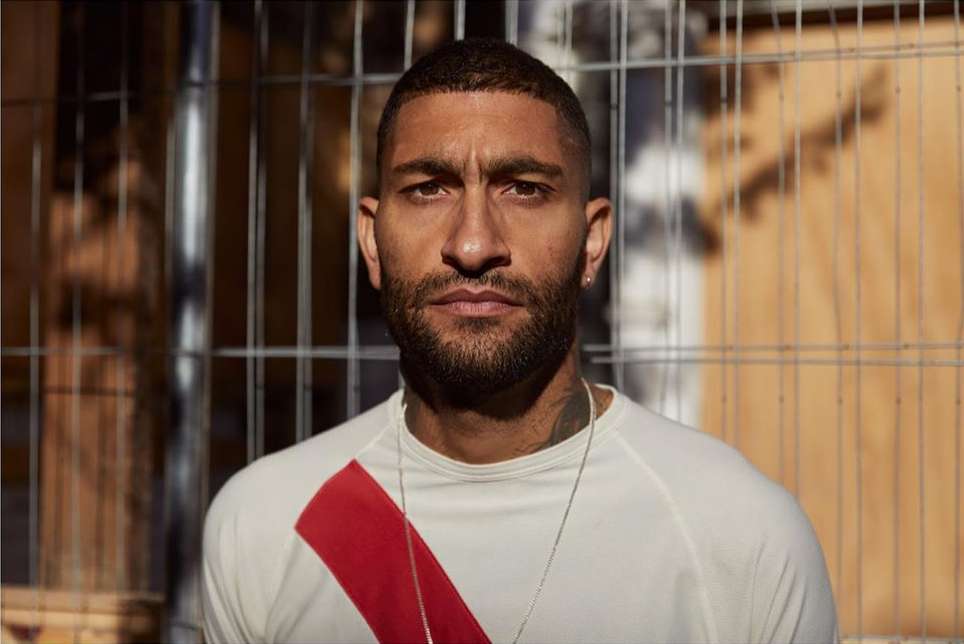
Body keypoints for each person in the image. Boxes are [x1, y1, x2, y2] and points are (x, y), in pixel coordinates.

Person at [202, 38, 837, 644]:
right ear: (372, 241)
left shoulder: (739, 537)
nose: (474, 245)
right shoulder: (265, 527)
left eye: (525, 189)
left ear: (592, 243)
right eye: (428, 188)